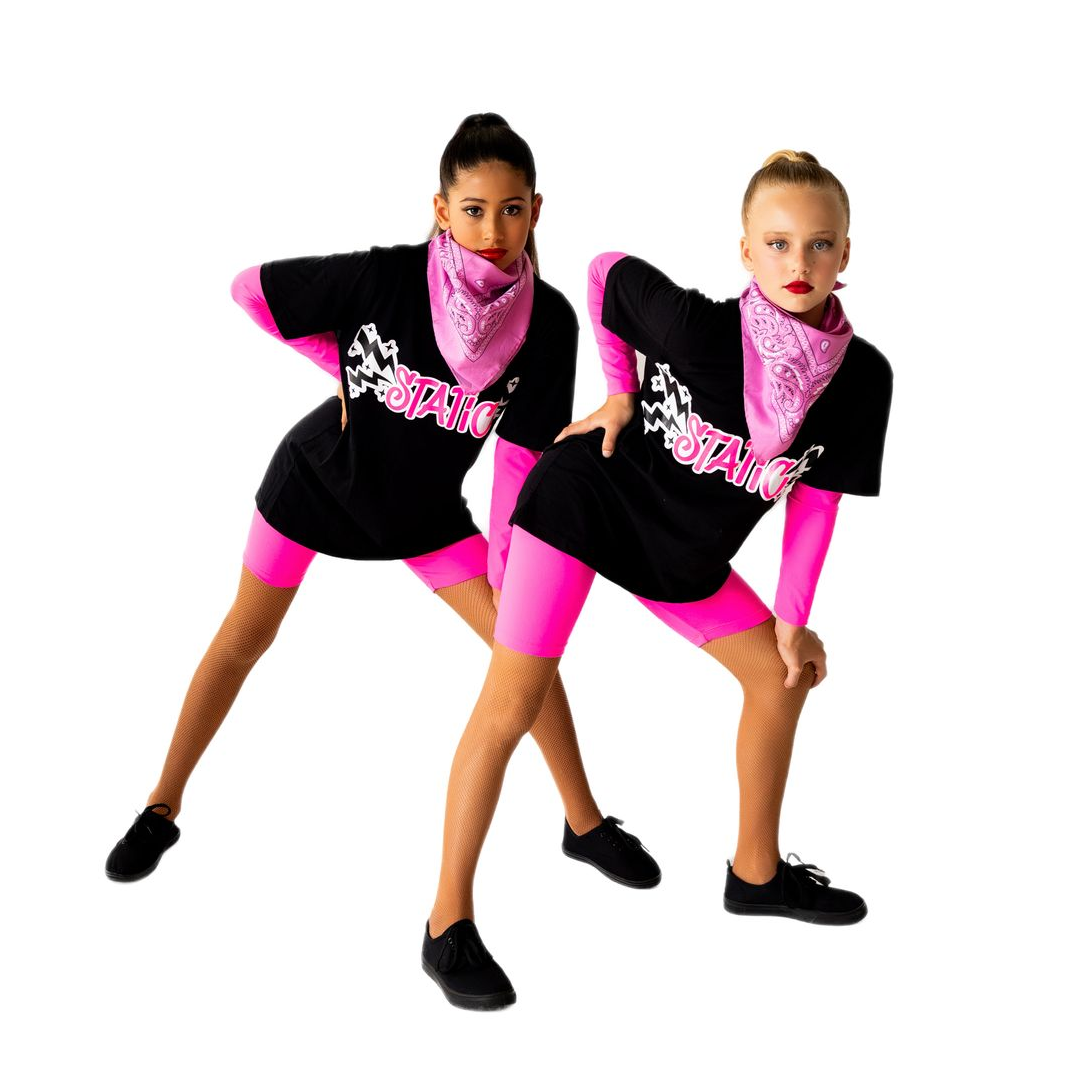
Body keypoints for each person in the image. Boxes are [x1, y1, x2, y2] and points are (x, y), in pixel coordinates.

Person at [104, 114, 660, 906]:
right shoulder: (385, 278)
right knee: (243, 636)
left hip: (424, 513)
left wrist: (509, 586)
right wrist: (344, 367)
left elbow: (518, 464)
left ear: (537, 209)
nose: (493, 228)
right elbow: (251, 290)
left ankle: (583, 821)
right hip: (316, 484)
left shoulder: (548, 323)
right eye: (473, 209)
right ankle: (161, 804)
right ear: (441, 209)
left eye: (511, 208)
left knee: (523, 650)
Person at [422, 151, 893, 1010]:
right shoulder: (700, 331)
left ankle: (756, 874)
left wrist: (793, 622)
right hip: (584, 502)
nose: (799, 264)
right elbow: (604, 275)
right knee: (512, 701)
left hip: (681, 555)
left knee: (780, 677)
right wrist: (618, 394)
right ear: (745, 251)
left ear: (846, 254)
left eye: (818, 245)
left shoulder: (862, 381)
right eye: (778, 243)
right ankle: (446, 921)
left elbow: (816, 503)